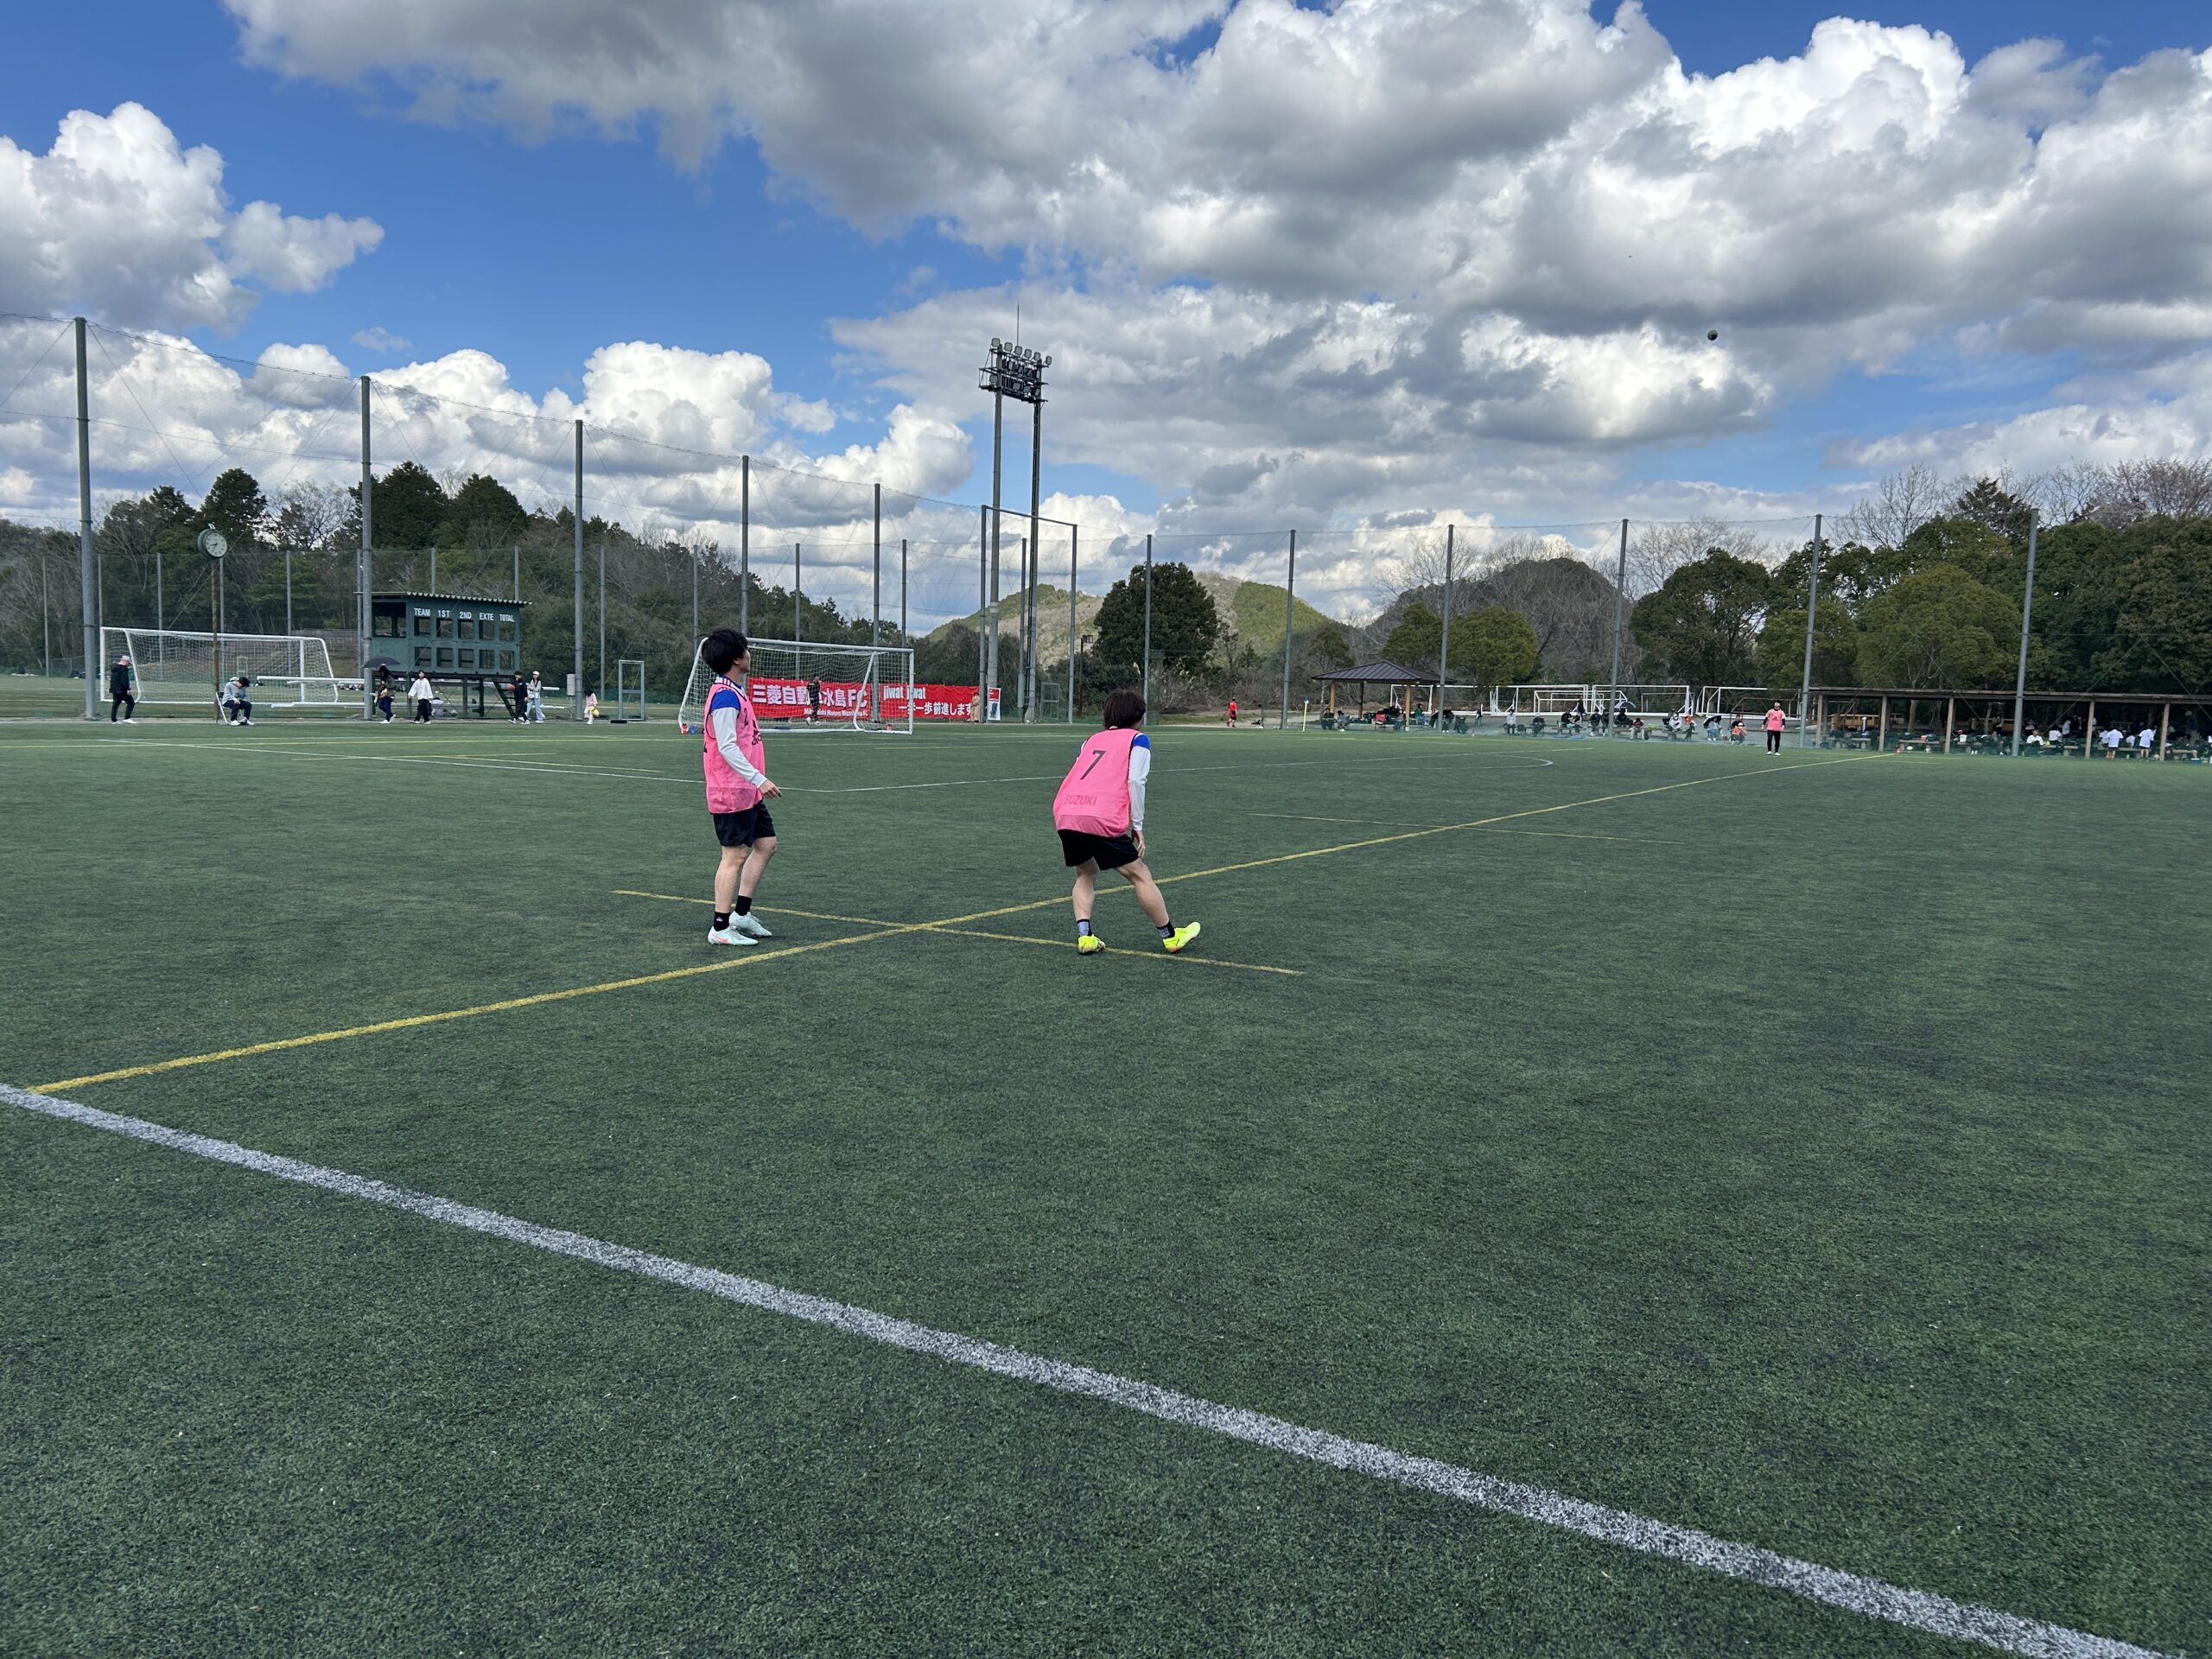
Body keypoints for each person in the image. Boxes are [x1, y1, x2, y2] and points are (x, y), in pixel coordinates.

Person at [1053, 688, 1200, 957]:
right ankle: (1170, 937)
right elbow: (1136, 780)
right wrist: (1138, 824)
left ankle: (1085, 936)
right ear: (1137, 716)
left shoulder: (1090, 740)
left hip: (1067, 811)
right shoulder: (1137, 739)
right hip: (1099, 814)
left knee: (1085, 872)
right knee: (1140, 875)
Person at [698, 628, 782, 947]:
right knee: (734, 855)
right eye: (745, 649)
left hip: (746, 790)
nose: (749, 654)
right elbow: (727, 747)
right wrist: (759, 778)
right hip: (731, 790)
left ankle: (741, 914)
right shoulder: (724, 696)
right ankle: (720, 927)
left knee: (766, 844)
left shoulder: (735, 691)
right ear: (736, 658)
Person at [107, 654, 137, 723]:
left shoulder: (114, 667)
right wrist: (128, 689)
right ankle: (127, 718)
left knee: (116, 704)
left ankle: (114, 720)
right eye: (128, 663)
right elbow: (124, 680)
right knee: (131, 703)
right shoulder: (124, 669)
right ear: (125, 661)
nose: (128, 665)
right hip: (122, 689)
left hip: (115, 689)